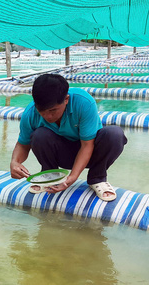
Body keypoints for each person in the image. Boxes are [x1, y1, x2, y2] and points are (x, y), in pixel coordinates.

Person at [9, 73, 127, 201]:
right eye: (42, 111)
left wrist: (73, 177)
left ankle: (97, 178)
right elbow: (23, 144)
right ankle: (50, 176)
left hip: (90, 151)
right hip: (61, 153)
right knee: (39, 135)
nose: (48, 117)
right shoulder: (30, 112)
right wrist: (15, 162)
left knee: (114, 134)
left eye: (53, 110)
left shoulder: (83, 102)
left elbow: (87, 145)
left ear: (66, 99)